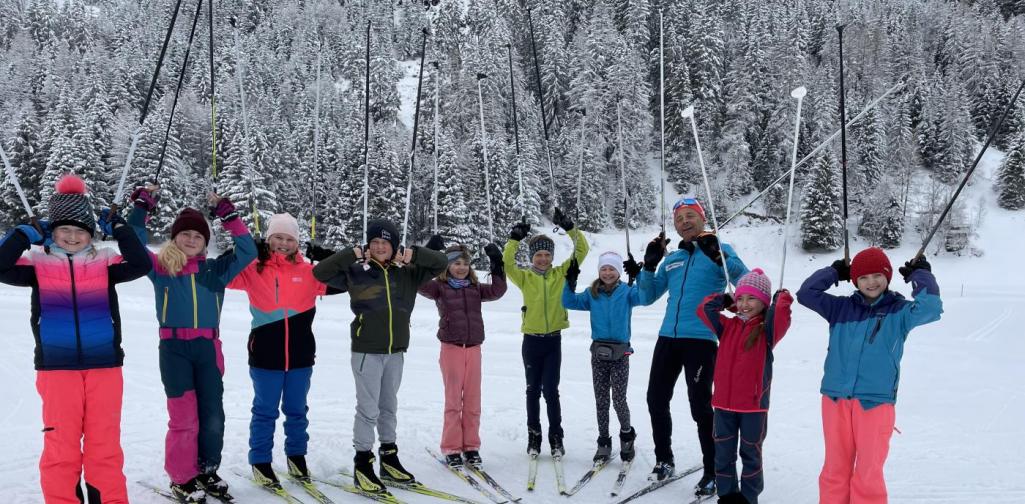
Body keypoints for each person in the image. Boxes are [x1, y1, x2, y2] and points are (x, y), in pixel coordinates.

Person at [0, 174, 151, 504]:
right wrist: (23, 235)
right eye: (64, 229)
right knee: (61, 446)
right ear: (51, 231)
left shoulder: (104, 262)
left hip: (105, 367)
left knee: (104, 445)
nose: (72, 236)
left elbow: (142, 263)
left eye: (80, 230)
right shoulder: (38, 264)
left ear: (90, 233)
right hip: (56, 369)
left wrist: (120, 228)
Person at [130, 188, 257, 503]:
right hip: (174, 351)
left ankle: (206, 470)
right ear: (174, 238)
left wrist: (227, 214)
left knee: (213, 416)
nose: (191, 239)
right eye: (184, 234)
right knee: (184, 417)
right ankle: (182, 478)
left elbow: (248, 250)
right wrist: (142, 207)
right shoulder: (162, 268)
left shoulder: (215, 270)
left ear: (205, 242)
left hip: (208, 350)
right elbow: (132, 243)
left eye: (197, 235)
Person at [312, 219, 447, 494]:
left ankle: (389, 460)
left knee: (388, 407)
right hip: (367, 351)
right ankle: (362, 465)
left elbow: (441, 263)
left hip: (395, 351)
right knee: (368, 410)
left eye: (385, 242)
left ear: (394, 246)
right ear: (368, 245)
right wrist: (352, 253)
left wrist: (412, 255)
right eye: (374, 242)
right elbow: (320, 273)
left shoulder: (408, 273)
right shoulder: (356, 272)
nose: (379, 247)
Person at [797, 248, 941, 504]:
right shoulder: (839, 308)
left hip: (875, 402)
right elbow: (806, 293)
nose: (871, 282)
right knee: (834, 468)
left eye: (877, 275)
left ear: (887, 276)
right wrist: (834, 272)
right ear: (854, 280)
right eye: (863, 277)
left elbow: (930, 308)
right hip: (835, 399)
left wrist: (920, 275)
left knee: (868, 472)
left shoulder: (900, 312)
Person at [632, 197, 749, 495]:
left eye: (690, 215)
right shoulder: (673, 259)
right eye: (679, 218)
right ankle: (664, 459)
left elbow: (745, 281)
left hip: (701, 339)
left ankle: (713, 471)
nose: (684, 221)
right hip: (667, 338)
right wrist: (649, 266)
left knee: (700, 407)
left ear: (702, 218)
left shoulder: (718, 248)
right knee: (655, 399)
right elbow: (646, 297)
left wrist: (718, 256)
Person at [226, 213, 342, 489]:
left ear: (297, 243)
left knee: (297, 410)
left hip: (301, 356)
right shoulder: (253, 269)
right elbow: (225, 274)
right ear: (268, 239)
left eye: (290, 239)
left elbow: (346, 281)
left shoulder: (310, 273)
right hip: (265, 356)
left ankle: (296, 457)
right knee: (265, 411)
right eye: (277, 237)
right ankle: (260, 461)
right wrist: (245, 250)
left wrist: (327, 257)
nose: (283, 243)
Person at [696, 268, 793, 504]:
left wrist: (781, 300)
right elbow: (704, 309)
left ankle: (749, 498)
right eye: (740, 298)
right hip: (723, 405)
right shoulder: (726, 326)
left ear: (764, 302)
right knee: (723, 454)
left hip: (753, 407)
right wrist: (725, 299)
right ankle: (727, 495)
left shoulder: (767, 331)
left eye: (751, 298)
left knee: (751, 454)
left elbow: (781, 317)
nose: (744, 304)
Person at [502, 209, 589, 458]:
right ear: (532, 257)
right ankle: (534, 436)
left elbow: (581, 250)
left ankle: (556, 437)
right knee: (532, 390)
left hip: (553, 341)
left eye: (547, 254)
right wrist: (514, 240)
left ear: (552, 257)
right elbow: (507, 263)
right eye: (538, 255)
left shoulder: (561, 274)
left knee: (551, 390)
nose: (543, 259)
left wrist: (569, 227)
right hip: (531, 341)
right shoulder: (524, 277)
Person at [417, 236, 507, 469]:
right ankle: (451, 448)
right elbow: (418, 282)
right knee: (453, 401)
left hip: (474, 348)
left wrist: (497, 263)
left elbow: (498, 290)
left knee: (473, 401)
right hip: (451, 349)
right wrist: (428, 253)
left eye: (465, 263)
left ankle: (471, 447)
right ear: (447, 266)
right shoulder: (439, 288)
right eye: (456, 263)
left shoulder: (475, 288)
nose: (461, 267)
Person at [561, 251, 648, 465]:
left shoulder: (628, 292)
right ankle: (604, 442)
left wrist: (639, 276)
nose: (607, 273)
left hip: (621, 354)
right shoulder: (592, 293)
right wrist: (569, 282)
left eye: (612, 269)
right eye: (604, 269)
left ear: (619, 272)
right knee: (601, 400)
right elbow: (568, 301)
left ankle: (627, 436)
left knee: (619, 399)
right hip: (599, 354)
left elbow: (645, 297)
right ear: (599, 271)